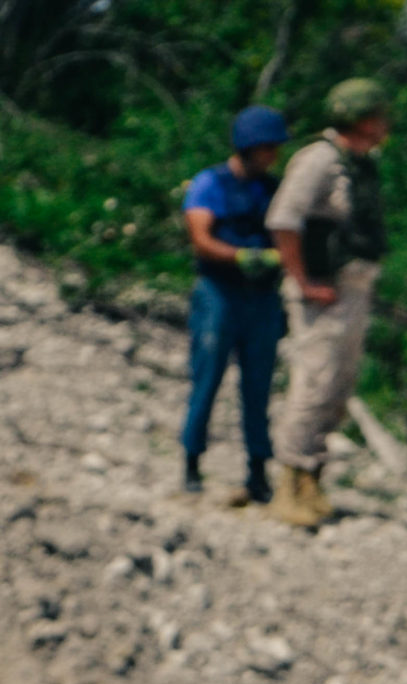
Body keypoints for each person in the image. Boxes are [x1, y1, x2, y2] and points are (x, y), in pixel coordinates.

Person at [262, 78, 392, 529]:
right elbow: (283, 221)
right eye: (379, 116)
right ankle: (289, 482)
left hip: (353, 287)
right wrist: (302, 280)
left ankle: (312, 478)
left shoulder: (360, 163)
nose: (385, 124)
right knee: (314, 382)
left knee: (339, 384)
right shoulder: (319, 160)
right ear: (362, 119)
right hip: (322, 290)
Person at [180, 105, 291, 506]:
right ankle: (192, 460)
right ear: (248, 146)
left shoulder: (274, 188)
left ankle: (257, 471)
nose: (273, 155)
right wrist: (241, 257)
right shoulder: (211, 183)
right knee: (207, 376)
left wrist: (283, 260)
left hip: (261, 298)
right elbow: (200, 237)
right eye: (268, 147)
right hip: (219, 293)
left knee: (259, 387)